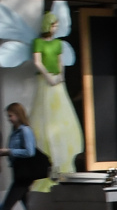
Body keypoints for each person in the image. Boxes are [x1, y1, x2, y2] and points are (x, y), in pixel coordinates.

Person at [29, 10, 83, 192]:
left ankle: (66, 161)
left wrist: (60, 76)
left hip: (57, 82)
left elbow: (60, 62)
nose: (56, 28)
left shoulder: (58, 43)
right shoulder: (38, 42)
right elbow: (37, 62)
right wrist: (48, 77)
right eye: (54, 25)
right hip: (45, 81)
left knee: (61, 113)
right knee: (45, 114)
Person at [1, 103, 42, 210]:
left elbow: (30, 152)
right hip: (18, 172)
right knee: (29, 207)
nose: (9, 119)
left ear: (18, 115)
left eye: (11, 116)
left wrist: (9, 151)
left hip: (24, 176)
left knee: (5, 207)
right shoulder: (15, 130)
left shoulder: (25, 130)